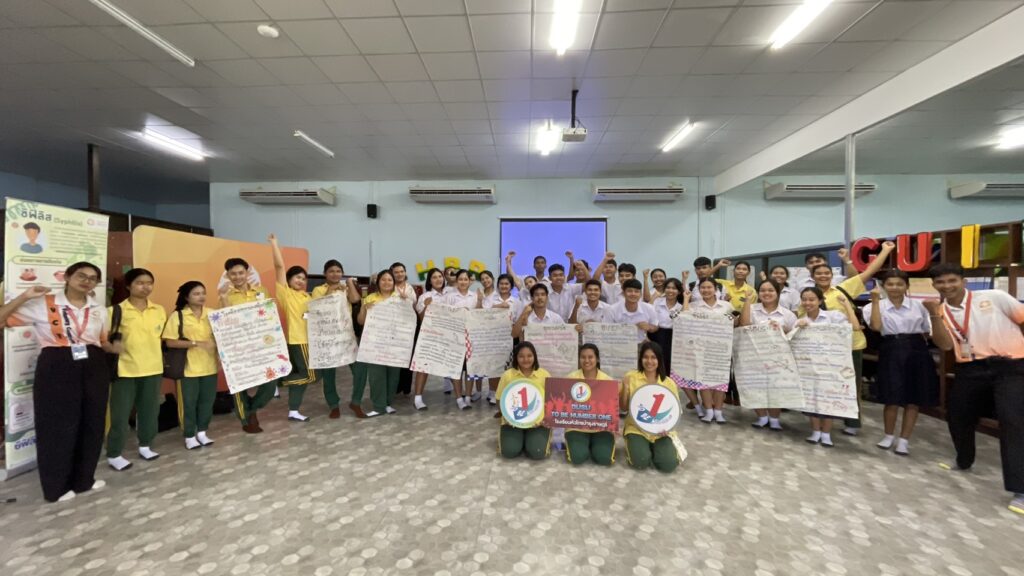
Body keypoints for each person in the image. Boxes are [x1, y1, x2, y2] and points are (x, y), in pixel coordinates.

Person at [0, 262, 113, 502]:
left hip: (93, 363)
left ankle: (84, 479)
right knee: (57, 425)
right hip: (57, 363)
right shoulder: (44, 303)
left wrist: (117, 348)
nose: (87, 281)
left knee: (92, 422)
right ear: (67, 277)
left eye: (93, 278)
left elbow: (102, 341)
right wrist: (24, 296)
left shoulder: (99, 309)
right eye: (81, 276)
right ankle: (56, 488)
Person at [925, 263, 1024, 515]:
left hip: (1010, 366)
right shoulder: (939, 311)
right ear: (934, 285)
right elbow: (945, 345)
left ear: (963, 281)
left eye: (952, 280)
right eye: (940, 282)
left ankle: (1020, 489)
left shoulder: (995, 297)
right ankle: (963, 460)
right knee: (957, 414)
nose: (947, 286)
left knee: (1012, 422)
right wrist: (934, 315)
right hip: (970, 368)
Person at [801, 241, 895, 436]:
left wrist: (885, 250)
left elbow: (869, 272)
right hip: (821, 350)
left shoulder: (843, 289)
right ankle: (823, 420)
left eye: (826, 273)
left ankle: (852, 422)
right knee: (824, 384)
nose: (823, 276)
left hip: (850, 345)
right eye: (818, 274)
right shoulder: (807, 297)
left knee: (851, 384)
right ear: (812, 276)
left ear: (831, 275)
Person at [863, 270, 938, 456]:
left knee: (914, 397)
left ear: (907, 286)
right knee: (891, 396)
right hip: (891, 348)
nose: (895, 288)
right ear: (883, 286)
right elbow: (876, 327)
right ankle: (888, 435)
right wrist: (875, 301)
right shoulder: (873, 306)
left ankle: (904, 440)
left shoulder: (919, 306)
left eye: (899, 284)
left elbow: (927, 331)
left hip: (916, 349)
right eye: (890, 284)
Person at [106, 268, 167, 471]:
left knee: (149, 411)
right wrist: (113, 347)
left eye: (149, 283)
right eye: (140, 283)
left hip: (153, 368)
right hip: (125, 370)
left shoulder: (159, 310)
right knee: (120, 415)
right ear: (128, 285)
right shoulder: (116, 311)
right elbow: (104, 339)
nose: (145, 287)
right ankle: (114, 453)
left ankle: (146, 445)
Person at [797, 286, 860, 447]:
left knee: (829, 397)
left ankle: (826, 433)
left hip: (831, 367)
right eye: (804, 299)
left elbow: (854, 327)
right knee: (812, 398)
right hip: (809, 368)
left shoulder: (834, 316)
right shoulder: (801, 321)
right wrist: (798, 328)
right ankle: (815, 431)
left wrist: (847, 305)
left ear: (820, 301)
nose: (808, 303)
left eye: (812, 299)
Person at [219, 257, 276, 432]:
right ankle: (246, 420)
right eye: (233, 274)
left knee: (270, 383)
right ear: (228, 276)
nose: (237, 277)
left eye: (240, 273)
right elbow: (225, 322)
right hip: (239, 347)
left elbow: (269, 316)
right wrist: (223, 298)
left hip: (261, 345)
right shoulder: (226, 296)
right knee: (239, 385)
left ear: (247, 273)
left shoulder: (261, 291)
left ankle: (252, 408)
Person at [163, 281, 218, 451]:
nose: (201, 297)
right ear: (186, 297)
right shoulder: (178, 316)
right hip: (187, 369)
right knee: (188, 403)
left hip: (210, 366)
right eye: (196, 293)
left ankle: (202, 432)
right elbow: (170, 342)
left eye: (203, 293)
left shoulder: (212, 314)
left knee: (207, 402)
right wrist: (196, 343)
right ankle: (189, 435)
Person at [269, 233, 317, 422]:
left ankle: (293, 410)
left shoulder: (308, 297)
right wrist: (274, 244)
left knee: (300, 378)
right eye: (297, 277)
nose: (301, 281)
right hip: (298, 340)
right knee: (311, 376)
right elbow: (279, 267)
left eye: (304, 278)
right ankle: (276, 382)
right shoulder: (286, 294)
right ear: (288, 280)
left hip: (308, 340)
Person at [739, 279, 798, 431]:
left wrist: (783, 330)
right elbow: (743, 324)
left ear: (778, 293)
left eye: (771, 290)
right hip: (753, 356)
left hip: (778, 359)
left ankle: (774, 419)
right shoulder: (751, 309)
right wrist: (747, 300)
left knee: (776, 388)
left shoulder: (788, 314)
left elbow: (795, 336)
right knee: (755, 386)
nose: (766, 293)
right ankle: (761, 417)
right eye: (763, 290)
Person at [356, 269, 412, 417]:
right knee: (376, 375)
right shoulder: (370, 298)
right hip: (375, 344)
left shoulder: (399, 298)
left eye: (390, 280)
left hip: (395, 344)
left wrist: (406, 302)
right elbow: (361, 321)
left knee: (393, 376)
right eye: (383, 279)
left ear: (394, 282)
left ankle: (387, 403)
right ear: (378, 282)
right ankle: (378, 406)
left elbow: (409, 321)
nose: (386, 282)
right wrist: (364, 308)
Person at [311, 260, 362, 418]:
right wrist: (331, 289)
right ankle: (333, 405)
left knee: (359, 370)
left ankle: (356, 402)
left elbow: (355, 300)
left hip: (346, 335)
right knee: (328, 374)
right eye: (331, 271)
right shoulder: (318, 290)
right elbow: (318, 307)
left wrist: (349, 283)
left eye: (338, 271)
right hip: (326, 338)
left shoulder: (345, 287)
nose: (335, 274)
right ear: (325, 274)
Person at [622, 341, 680, 473]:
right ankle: (640, 446)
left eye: (653, 357)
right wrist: (625, 388)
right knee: (640, 462)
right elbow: (624, 408)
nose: (649, 361)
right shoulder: (631, 377)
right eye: (645, 357)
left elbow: (675, 412)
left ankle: (657, 448)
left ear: (659, 360)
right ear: (640, 359)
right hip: (636, 428)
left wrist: (668, 428)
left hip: (661, 431)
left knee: (668, 465)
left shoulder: (669, 383)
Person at [683, 277, 735, 423]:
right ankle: (709, 410)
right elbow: (684, 319)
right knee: (703, 380)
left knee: (720, 380)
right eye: (703, 287)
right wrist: (686, 299)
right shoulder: (694, 306)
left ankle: (718, 411)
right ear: (699, 290)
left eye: (709, 287)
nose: (706, 290)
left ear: (715, 289)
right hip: (701, 349)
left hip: (721, 349)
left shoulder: (726, 306)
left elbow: (734, 322)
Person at [496, 341, 551, 460]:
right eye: (521, 356)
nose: (526, 359)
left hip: (538, 424)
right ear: (516, 358)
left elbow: (551, 401)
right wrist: (507, 416)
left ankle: (529, 441)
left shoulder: (544, 375)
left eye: (529, 356)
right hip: (512, 423)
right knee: (509, 452)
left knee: (537, 452)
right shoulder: (507, 375)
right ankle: (519, 440)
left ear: (534, 356)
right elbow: (499, 399)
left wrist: (544, 419)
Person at [564, 344, 616, 466]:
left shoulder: (608, 381)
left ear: (597, 359)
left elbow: (612, 410)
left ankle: (595, 444)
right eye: (583, 357)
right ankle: (583, 443)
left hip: (601, 428)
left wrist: (613, 424)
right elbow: (563, 406)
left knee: (604, 458)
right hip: (576, 427)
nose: (586, 360)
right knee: (577, 457)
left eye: (590, 357)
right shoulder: (570, 378)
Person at [483, 273, 522, 406]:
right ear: (498, 285)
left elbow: (519, 321)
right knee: (494, 365)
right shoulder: (491, 299)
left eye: (507, 284)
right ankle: (493, 392)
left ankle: (507, 392)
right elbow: (483, 315)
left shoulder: (517, 302)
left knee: (508, 366)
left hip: (510, 338)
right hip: (493, 338)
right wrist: (497, 306)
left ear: (511, 286)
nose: (504, 286)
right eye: (501, 284)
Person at [412, 268, 447, 411]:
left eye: (440, 276)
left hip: (448, 337)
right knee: (423, 367)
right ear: (429, 281)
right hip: (430, 336)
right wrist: (426, 305)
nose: (438, 279)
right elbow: (421, 319)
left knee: (452, 364)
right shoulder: (424, 296)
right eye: (434, 277)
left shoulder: (450, 294)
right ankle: (418, 398)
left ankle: (459, 397)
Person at [446, 269, 479, 410]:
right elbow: (446, 315)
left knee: (470, 368)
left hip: (471, 337)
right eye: (460, 279)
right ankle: (459, 398)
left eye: (466, 279)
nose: (463, 282)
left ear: (470, 281)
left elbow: (479, 315)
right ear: (456, 281)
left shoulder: (475, 296)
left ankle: (468, 397)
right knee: (456, 369)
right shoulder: (450, 296)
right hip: (455, 337)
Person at [649, 277, 685, 385]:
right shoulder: (657, 302)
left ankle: (667, 387)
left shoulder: (681, 307)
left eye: (674, 288)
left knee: (669, 364)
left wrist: (687, 299)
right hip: (656, 335)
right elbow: (647, 314)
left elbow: (684, 320)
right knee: (655, 363)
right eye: (668, 288)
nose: (670, 290)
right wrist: (653, 298)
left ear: (679, 291)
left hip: (672, 337)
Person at [390, 262, 417, 396]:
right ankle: (395, 386)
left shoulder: (410, 288)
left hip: (408, 328)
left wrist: (407, 300)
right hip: (393, 328)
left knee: (408, 357)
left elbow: (415, 305)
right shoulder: (389, 287)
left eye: (402, 271)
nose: (399, 274)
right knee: (396, 357)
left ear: (405, 273)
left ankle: (406, 387)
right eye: (396, 272)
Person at [608, 278, 658, 343]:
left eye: (636, 291)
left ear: (640, 294)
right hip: (618, 344)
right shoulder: (612, 309)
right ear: (623, 293)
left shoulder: (649, 308)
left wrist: (649, 327)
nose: (633, 294)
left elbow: (655, 327)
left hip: (640, 343)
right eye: (629, 291)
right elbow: (606, 331)